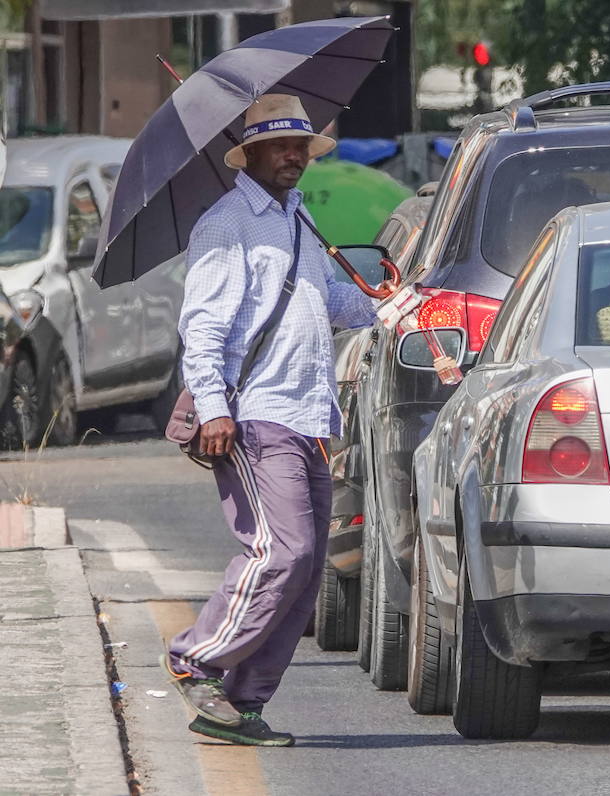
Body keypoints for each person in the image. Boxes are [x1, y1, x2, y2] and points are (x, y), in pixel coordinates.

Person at [160, 94, 394, 747]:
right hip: (253, 415)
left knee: (308, 567)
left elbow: (330, 302)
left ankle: (242, 702)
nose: (295, 155)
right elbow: (201, 328)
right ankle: (195, 659)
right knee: (280, 551)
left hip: (308, 414)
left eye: (302, 145)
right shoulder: (227, 222)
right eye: (282, 146)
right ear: (251, 153)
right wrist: (213, 408)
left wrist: (389, 303)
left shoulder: (297, 221)